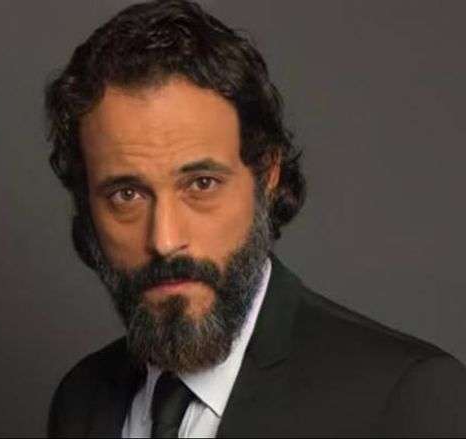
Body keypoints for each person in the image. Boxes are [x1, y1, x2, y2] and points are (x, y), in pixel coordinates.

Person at [43, 0, 466, 437]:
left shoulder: (405, 398)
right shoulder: (82, 400)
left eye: (202, 184)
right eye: (127, 195)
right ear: (86, 205)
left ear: (267, 176)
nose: (165, 240)